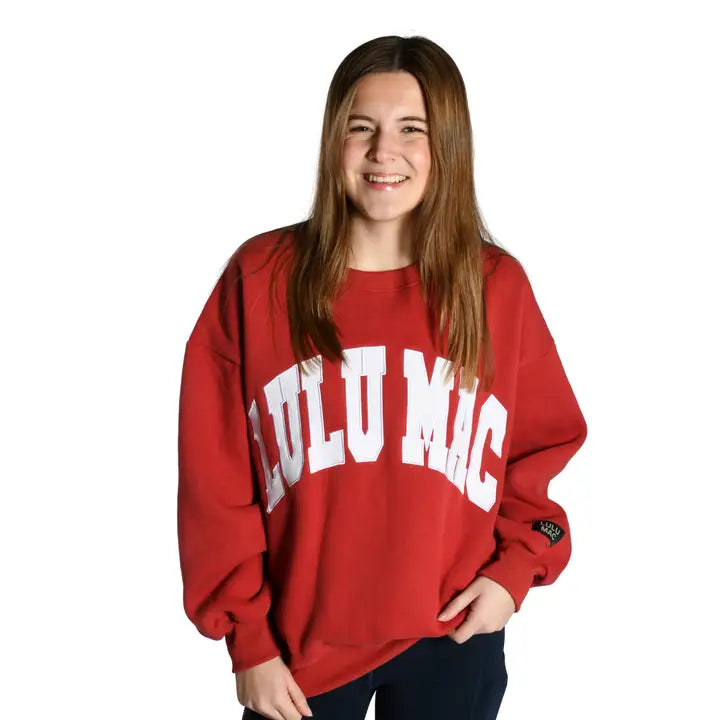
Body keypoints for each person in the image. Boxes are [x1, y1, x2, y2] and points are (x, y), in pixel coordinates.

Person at [176, 34, 588, 720]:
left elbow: (539, 453)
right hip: (299, 651)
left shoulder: (495, 288)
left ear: (446, 145)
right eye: (360, 127)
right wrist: (247, 640)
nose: (382, 151)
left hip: (456, 633)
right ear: (332, 140)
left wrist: (514, 573)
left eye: (411, 129)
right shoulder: (261, 278)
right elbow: (214, 480)